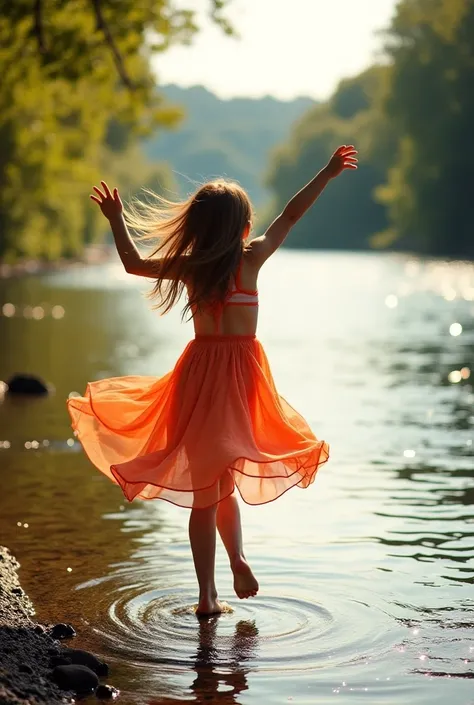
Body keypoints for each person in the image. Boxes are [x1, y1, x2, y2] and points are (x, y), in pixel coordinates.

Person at [67, 145, 358, 615]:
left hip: (198, 380)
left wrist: (116, 218)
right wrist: (325, 174)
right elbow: (289, 215)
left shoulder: (192, 267)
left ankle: (206, 596)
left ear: (198, 228)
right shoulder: (253, 258)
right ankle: (238, 558)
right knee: (222, 479)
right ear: (243, 227)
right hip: (242, 383)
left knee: (207, 489)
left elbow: (133, 264)